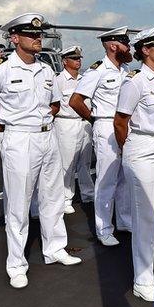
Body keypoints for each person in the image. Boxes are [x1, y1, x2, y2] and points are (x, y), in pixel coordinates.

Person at [0, 13, 81, 289]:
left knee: (53, 197)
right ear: (15, 38)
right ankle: (16, 264)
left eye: (39, 34)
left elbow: (54, 105)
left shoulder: (45, 70)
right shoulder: (0, 70)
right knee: (18, 204)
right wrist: (8, 130)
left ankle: (55, 249)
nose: (37, 38)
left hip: (48, 137)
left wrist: (40, 122)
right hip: (19, 140)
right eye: (31, 35)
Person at [114, 26, 154, 302]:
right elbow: (120, 121)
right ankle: (143, 278)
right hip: (143, 147)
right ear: (145, 51)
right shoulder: (135, 81)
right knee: (145, 216)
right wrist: (130, 150)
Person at [70, 26, 132, 246]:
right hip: (106, 126)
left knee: (126, 177)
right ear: (114, 46)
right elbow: (76, 101)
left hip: (125, 126)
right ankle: (104, 228)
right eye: (126, 43)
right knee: (107, 179)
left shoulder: (126, 71)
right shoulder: (97, 71)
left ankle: (125, 221)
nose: (129, 47)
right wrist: (94, 120)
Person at [53, 46, 95, 214]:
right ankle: (65, 198)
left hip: (84, 122)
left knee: (85, 162)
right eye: (74, 58)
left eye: (79, 58)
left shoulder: (84, 79)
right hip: (66, 123)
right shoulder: (58, 81)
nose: (78, 61)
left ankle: (88, 193)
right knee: (67, 163)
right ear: (65, 61)